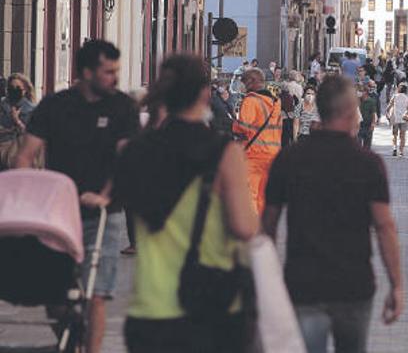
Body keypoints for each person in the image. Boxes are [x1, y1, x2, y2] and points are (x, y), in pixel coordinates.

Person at [114, 54, 258, 353]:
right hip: (211, 306)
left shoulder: (133, 151)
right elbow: (245, 227)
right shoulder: (223, 153)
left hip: (151, 309)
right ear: (205, 93)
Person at [262, 75, 403, 353]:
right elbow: (385, 227)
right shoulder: (368, 164)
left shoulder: (290, 158)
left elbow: (267, 226)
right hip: (353, 285)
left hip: (303, 283)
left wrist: (264, 284)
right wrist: (397, 285)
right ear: (352, 112)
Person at [15, 40, 140, 353]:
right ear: (86, 72)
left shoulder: (122, 107)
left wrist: (106, 196)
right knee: (56, 294)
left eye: (116, 71)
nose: (114, 77)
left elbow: (127, 159)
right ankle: (68, 341)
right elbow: (25, 156)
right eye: (107, 71)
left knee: (97, 292)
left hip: (102, 214)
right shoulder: (56, 106)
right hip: (58, 213)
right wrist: (35, 195)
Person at [232, 67, 282, 214]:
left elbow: (243, 127)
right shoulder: (274, 102)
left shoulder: (251, 100)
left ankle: (252, 227)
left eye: (244, 81)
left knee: (250, 194)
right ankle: (261, 225)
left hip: (254, 155)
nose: (242, 85)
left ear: (252, 81)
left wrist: (232, 125)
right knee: (264, 195)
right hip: (273, 154)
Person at [0, 73, 36, 170]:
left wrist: (17, 121)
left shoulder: (31, 110)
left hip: (19, 154)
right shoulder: (2, 105)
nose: (14, 90)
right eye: (11, 87)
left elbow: (33, 135)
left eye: (18, 87)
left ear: (25, 90)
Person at [387, 83, 408, 157]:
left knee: (394, 135)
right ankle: (401, 151)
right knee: (403, 135)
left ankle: (394, 148)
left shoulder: (395, 96)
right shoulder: (407, 98)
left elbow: (389, 106)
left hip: (395, 118)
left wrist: (388, 114)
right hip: (404, 118)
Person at [357, 84, 378, 149]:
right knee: (358, 145)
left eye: (360, 91)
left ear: (365, 92)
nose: (358, 92)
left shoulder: (371, 101)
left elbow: (374, 113)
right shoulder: (357, 100)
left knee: (367, 145)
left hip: (368, 125)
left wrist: (373, 124)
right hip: (358, 126)